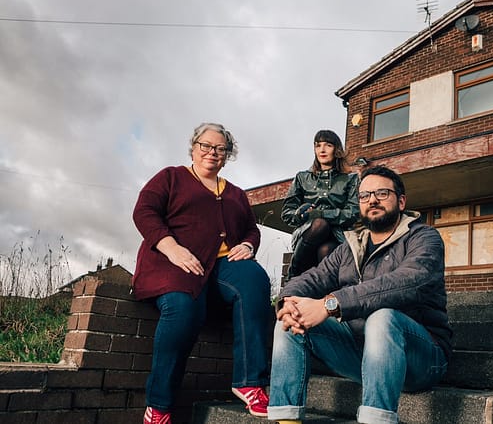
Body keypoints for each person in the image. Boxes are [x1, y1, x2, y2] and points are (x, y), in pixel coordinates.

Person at [268, 165, 452, 424]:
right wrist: (287, 302)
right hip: (363, 353)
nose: (372, 200)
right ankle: (286, 420)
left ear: (401, 201)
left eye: (382, 193)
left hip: (421, 359)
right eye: (364, 196)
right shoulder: (350, 247)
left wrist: (330, 304)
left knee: (383, 318)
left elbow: (408, 282)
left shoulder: (424, 238)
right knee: (289, 319)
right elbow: (313, 278)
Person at [132, 123, 271, 424]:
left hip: (222, 267)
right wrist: (172, 248)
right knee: (183, 309)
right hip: (174, 262)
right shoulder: (171, 177)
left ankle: (249, 382)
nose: (212, 152)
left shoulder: (235, 193)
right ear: (194, 147)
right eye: (206, 146)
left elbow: (251, 228)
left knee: (254, 279)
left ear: (227, 155)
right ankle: (159, 407)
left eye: (220, 149)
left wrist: (248, 244)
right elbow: (144, 211)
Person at [281, 129, 360, 279]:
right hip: (307, 234)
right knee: (319, 225)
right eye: (318, 145)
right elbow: (287, 214)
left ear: (336, 149)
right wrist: (300, 214)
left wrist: (323, 214)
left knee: (325, 249)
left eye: (328, 145)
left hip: (337, 235)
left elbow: (353, 213)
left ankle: (317, 292)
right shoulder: (302, 177)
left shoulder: (350, 179)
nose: (322, 150)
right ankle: (294, 275)